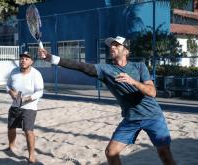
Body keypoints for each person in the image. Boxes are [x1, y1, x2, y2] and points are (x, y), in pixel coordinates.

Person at [38, 36, 176, 165]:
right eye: (111, 45)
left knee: (164, 154)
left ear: (126, 51)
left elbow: (152, 92)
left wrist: (133, 81)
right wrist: (50, 58)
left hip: (153, 116)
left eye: (117, 45)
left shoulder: (139, 67)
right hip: (131, 118)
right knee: (110, 152)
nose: (112, 47)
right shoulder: (106, 69)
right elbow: (81, 66)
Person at [6, 51, 44, 165]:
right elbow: (7, 85)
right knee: (11, 128)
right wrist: (11, 92)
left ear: (31, 62)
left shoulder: (36, 74)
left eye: (26, 59)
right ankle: (11, 147)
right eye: (22, 58)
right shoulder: (14, 71)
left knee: (28, 131)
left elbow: (40, 91)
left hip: (30, 106)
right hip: (15, 105)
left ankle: (31, 156)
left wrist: (28, 99)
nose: (23, 60)